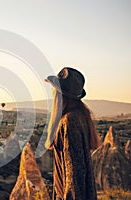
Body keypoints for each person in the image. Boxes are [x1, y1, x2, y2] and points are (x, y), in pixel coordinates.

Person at [44, 67, 101, 200]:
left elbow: (74, 170)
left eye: (55, 91)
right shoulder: (80, 115)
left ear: (60, 95)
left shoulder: (70, 121)